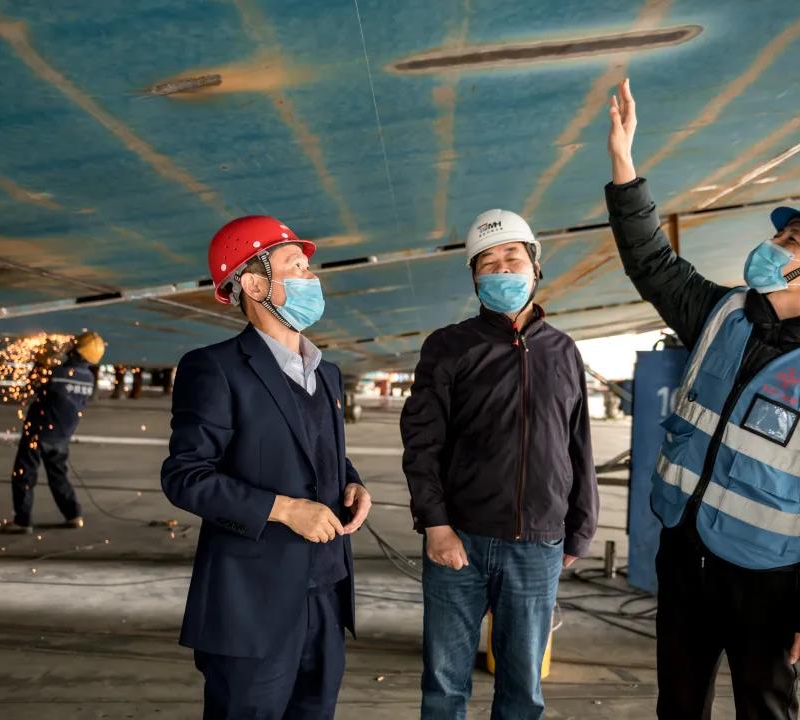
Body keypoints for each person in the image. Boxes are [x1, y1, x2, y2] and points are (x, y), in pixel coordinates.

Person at [604, 79, 800, 719]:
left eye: (791, 244)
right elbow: (651, 262)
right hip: (684, 551)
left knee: (764, 710)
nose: (772, 247)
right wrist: (624, 167)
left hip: (768, 580)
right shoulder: (722, 314)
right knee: (678, 705)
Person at [161, 215, 372, 719]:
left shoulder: (327, 373)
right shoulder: (214, 368)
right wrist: (283, 509)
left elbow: (318, 449)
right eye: (295, 266)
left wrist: (352, 483)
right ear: (255, 285)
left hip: (326, 594)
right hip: (251, 607)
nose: (310, 277)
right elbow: (185, 476)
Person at [401, 208, 599, 720]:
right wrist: (436, 525)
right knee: (444, 684)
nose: (502, 269)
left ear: (536, 266)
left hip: (538, 544)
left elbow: (577, 444)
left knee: (522, 688)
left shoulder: (563, 350)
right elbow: (421, 443)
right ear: (474, 278)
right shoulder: (449, 347)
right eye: (487, 263)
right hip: (459, 540)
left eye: (512, 257)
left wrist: (579, 530)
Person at [3, 331, 104, 533]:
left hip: (39, 432)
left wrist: (41, 362)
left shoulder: (58, 373)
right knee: (59, 477)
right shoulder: (88, 378)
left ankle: (22, 521)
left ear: (77, 351)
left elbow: (30, 388)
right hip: (62, 437)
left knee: (24, 476)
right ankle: (73, 515)